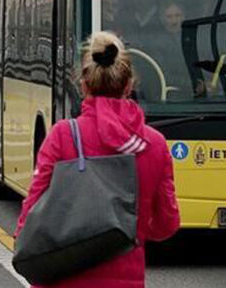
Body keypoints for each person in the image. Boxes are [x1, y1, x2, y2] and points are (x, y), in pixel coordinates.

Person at [15, 31, 180, 288]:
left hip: (63, 277)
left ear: (83, 85)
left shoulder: (63, 135)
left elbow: (32, 209)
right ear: (129, 85)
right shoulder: (154, 144)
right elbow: (166, 224)